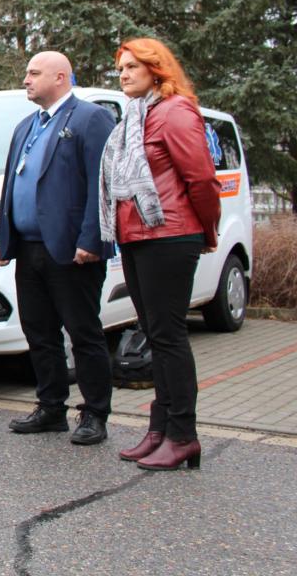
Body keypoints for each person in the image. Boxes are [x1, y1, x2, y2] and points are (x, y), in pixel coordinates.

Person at [99, 38, 220, 470]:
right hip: (135, 236)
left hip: (169, 234)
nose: (124, 74)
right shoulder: (136, 114)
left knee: (168, 336)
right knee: (154, 332)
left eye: (133, 67)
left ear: (157, 69)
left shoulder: (175, 111)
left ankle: (183, 435)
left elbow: (202, 180)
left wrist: (207, 230)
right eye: (121, 68)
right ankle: (160, 429)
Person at [0, 52, 116, 445]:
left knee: (83, 332)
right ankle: (51, 407)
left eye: (33, 73)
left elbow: (101, 183)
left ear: (60, 77)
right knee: (39, 331)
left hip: (71, 250)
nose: (25, 80)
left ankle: (95, 413)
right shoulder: (26, 126)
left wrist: (92, 240)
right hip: (29, 249)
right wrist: (4, 238)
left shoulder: (89, 119)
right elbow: (13, 187)